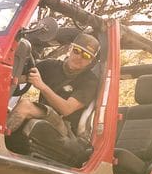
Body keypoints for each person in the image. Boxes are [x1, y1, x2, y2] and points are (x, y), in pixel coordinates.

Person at [7, 31, 102, 166]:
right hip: (45, 115)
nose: (79, 57)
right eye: (77, 51)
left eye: (86, 55)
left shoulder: (90, 82)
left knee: (25, 105)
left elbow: (66, 109)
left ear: (91, 61)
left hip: (66, 128)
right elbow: (20, 77)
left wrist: (42, 86)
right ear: (70, 48)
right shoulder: (50, 65)